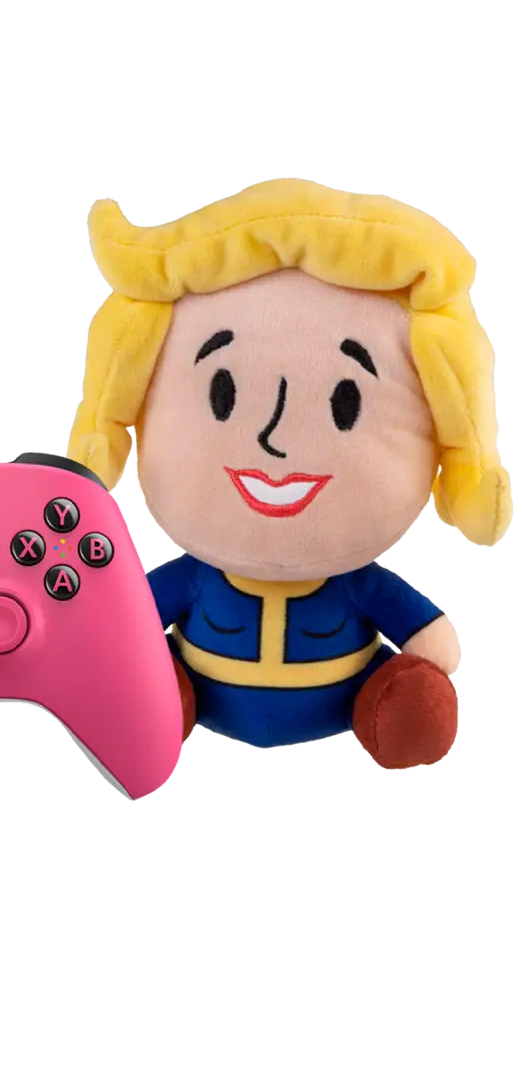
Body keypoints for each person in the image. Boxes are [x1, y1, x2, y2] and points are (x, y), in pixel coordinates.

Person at [68, 180, 512, 769]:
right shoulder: (194, 579)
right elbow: (126, 621)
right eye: (223, 394)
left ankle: (390, 714)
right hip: (201, 693)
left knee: (413, 702)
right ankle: (157, 709)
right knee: (139, 682)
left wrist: (430, 657)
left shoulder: (357, 584)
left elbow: (428, 636)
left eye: (345, 403)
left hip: (350, 698)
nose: (273, 441)